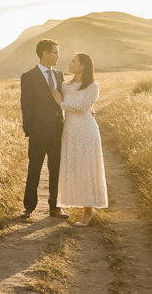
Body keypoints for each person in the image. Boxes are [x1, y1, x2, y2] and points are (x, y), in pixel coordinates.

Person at [50, 52, 108, 226]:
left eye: (74, 61)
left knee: (87, 167)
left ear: (83, 66)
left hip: (86, 131)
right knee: (75, 168)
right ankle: (84, 206)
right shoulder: (65, 85)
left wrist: (62, 104)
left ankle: (88, 212)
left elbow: (84, 107)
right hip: (70, 131)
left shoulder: (92, 86)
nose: (70, 63)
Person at [19, 38, 68, 219]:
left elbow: (63, 100)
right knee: (34, 169)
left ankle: (55, 207)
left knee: (56, 169)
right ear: (45, 54)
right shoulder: (28, 76)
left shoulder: (59, 74)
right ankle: (29, 207)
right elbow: (26, 105)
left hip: (57, 130)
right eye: (55, 52)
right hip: (38, 132)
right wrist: (30, 130)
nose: (58, 56)